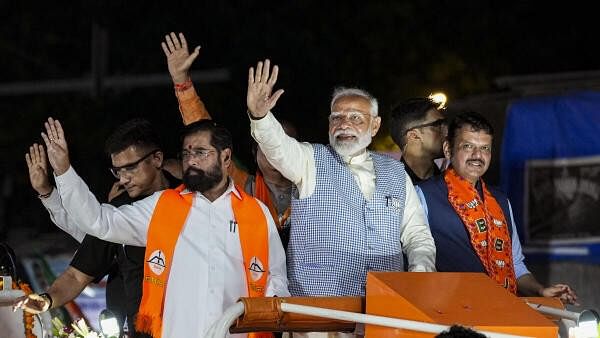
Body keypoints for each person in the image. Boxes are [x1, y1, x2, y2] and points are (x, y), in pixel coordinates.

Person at [30, 117, 289, 337]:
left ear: (226, 157)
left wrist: (267, 311)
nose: (191, 160)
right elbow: (98, 222)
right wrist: (63, 172)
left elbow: (275, 278)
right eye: (186, 153)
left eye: (200, 152)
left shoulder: (257, 213)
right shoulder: (163, 206)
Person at [246, 59, 436, 300]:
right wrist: (260, 117)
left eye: (356, 117)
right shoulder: (309, 159)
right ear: (329, 124)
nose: (344, 124)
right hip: (316, 314)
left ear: (375, 125)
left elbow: (417, 234)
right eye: (337, 117)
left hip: (384, 312)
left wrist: (419, 274)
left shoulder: (396, 172)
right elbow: (278, 147)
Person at [20, 118, 177, 337]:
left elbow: (96, 221)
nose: (124, 178)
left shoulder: (190, 200)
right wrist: (46, 299)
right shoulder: (118, 211)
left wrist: (63, 173)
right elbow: (78, 271)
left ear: (157, 158)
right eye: (117, 171)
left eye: (130, 168)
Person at [416, 111, 578, 304]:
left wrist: (540, 290)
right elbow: (417, 259)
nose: (477, 156)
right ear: (448, 149)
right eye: (468, 146)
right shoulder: (423, 195)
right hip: (452, 311)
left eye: (485, 148)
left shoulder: (500, 201)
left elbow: (515, 265)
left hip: (501, 310)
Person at [163, 32, 296, 248]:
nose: (276, 152)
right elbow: (205, 138)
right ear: (254, 154)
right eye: (267, 146)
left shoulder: (314, 190)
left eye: (284, 143)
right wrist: (182, 82)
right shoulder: (243, 187)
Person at [389, 97, 447, 184]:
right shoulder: (389, 190)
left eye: (445, 124)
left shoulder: (451, 185)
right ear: (414, 136)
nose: (447, 131)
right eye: (437, 125)